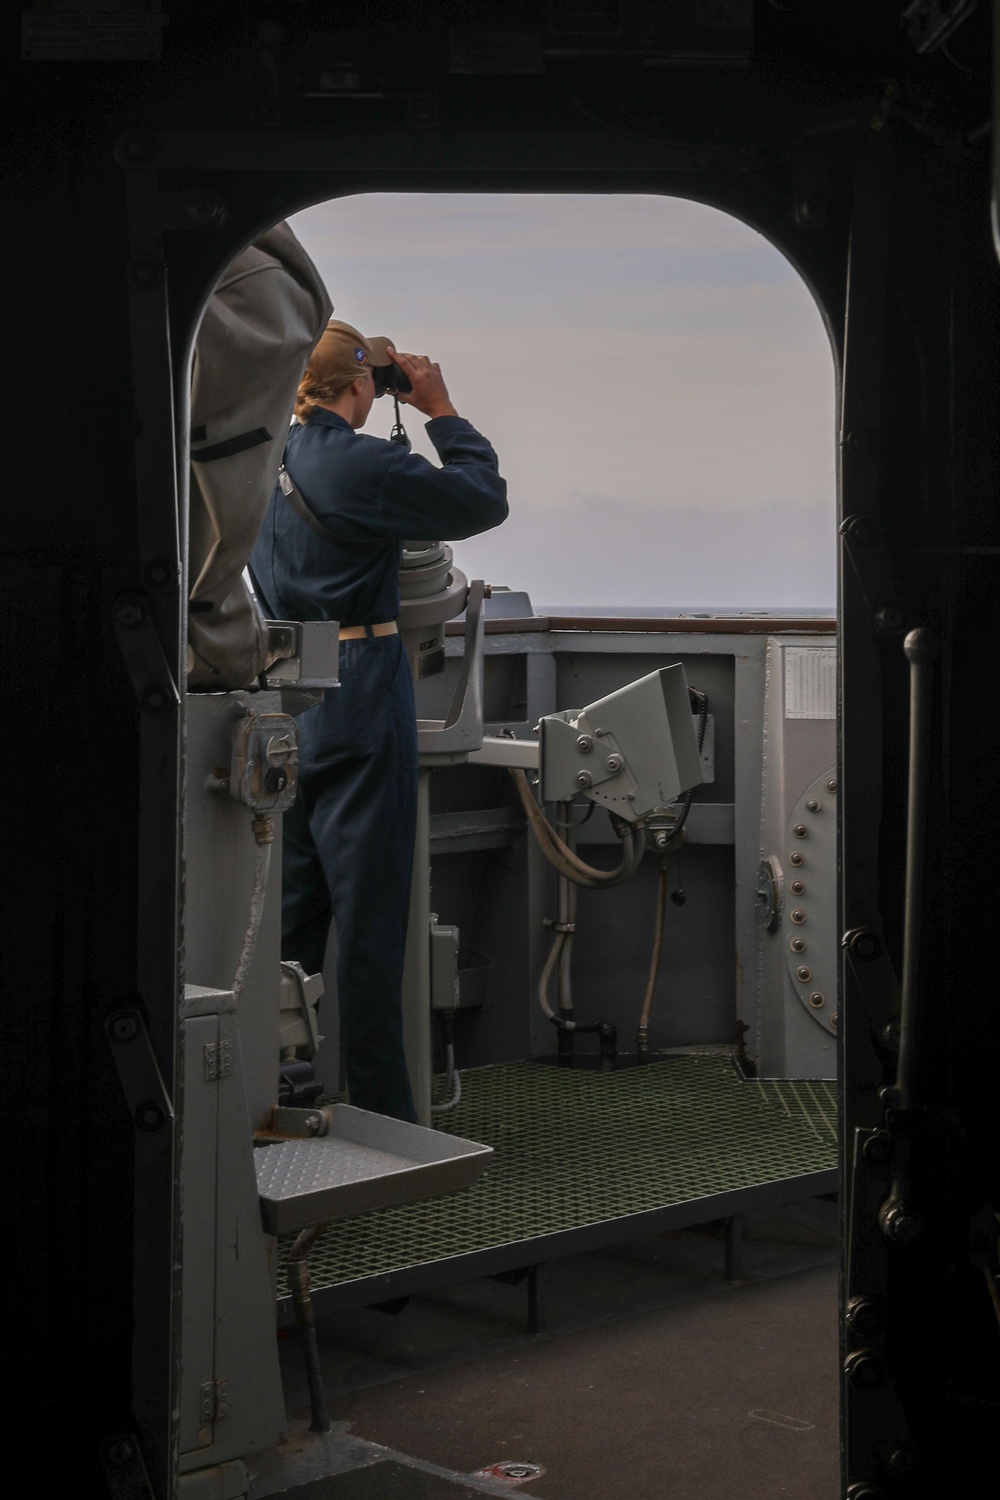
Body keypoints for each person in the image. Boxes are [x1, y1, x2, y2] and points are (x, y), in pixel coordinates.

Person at [249, 320, 508, 1122]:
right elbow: (481, 500)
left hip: (282, 692)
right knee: (370, 922)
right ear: (360, 387)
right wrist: (437, 408)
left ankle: (277, 1099)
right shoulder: (358, 460)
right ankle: (384, 1120)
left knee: (292, 917)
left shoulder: (257, 459)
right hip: (360, 687)